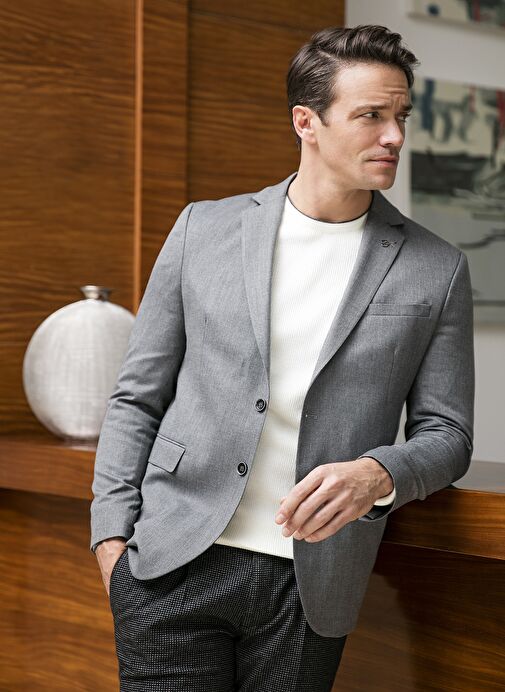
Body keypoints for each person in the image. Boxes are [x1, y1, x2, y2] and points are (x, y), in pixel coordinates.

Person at [90, 24, 474, 692]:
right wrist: (110, 539)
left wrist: (376, 475)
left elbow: (448, 434)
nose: (394, 136)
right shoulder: (203, 230)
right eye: (370, 116)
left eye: (401, 117)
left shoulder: (435, 268)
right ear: (306, 122)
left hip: (312, 584)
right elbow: (137, 396)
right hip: (173, 562)